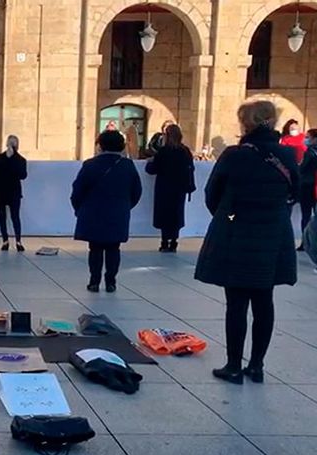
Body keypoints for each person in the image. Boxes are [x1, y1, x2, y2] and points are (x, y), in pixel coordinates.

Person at [195, 101, 298, 385]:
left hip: (238, 232)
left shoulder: (234, 155)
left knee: (236, 302)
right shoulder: (286, 154)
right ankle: (257, 365)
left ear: (246, 123)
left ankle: (233, 365)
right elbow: (295, 190)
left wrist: (227, 215)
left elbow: (212, 194)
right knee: (265, 300)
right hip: (274, 235)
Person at [71, 130, 143, 293]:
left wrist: (80, 209)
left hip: (93, 213)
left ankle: (94, 281)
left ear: (100, 145)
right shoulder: (127, 165)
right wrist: (125, 207)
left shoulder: (90, 165)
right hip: (117, 214)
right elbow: (137, 191)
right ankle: (111, 281)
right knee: (113, 248)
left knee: (95, 249)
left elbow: (77, 190)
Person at [145, 124, 196, 253]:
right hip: (180, 188)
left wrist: (150, 162)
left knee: (164, 214)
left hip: (164, 188)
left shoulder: (164, 151)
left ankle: (164, 241)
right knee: (176, 214)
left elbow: (152, 170)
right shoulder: (185, 151)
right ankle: (174, 241)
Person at [0, 135, 28, 251]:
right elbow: (23, 175)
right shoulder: (20, 159)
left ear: (6, 144)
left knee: (2, 217)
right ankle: (18, 241)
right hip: (14, 191)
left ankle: (5, 241)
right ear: (17, 145)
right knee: (15, 217)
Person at [298, 128, 317, 250]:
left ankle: (305, 242)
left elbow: (302, 169)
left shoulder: (309, 153)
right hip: (315, 186)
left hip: (307, 185)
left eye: (308, 137)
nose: (306, 139)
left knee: (305, 214)